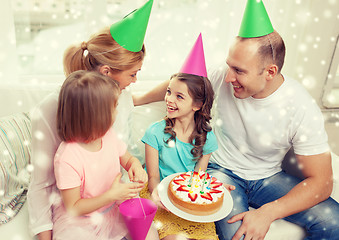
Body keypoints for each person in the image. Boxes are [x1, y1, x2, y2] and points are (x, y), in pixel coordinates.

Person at [206, 1, 339, 239]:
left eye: (239, 71)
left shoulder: (300, 106)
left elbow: (322, 183)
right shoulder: (221, 76)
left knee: (335, 222)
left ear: (270, 72)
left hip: (268, 177)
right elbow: (181, 82)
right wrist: (137, 98)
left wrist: (269, 212)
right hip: (222, 172)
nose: (228, 77)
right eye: (229, 67)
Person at [27, 1, 158, 239]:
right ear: (107, 72)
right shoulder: (52, 111)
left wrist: (135, 166)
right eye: (133, 74)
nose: (135, 81)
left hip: (113, 205)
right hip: (80, 213)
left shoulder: (123, 98)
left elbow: (124, 154)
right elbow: (41, 186)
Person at [141, 34, 231, 240]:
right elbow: (153, 177)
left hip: (189, 200)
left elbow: (198, 179)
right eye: (169, 92)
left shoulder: (207, 139)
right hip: (160, 195)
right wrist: (159, 196)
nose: (169, 99)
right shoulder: (155, 132)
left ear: (197, 105)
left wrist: (214, 188)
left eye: (179, 96)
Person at [52, 70, 158, 240]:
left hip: (113, 209)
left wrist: (136, 167)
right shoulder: (67, 157)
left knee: (149, 233)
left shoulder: (108, 135)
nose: (117, 112)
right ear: (96, 115)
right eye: (114, 107)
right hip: (81, 221)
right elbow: (73, 207)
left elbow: (128, 159)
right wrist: (111, 195)